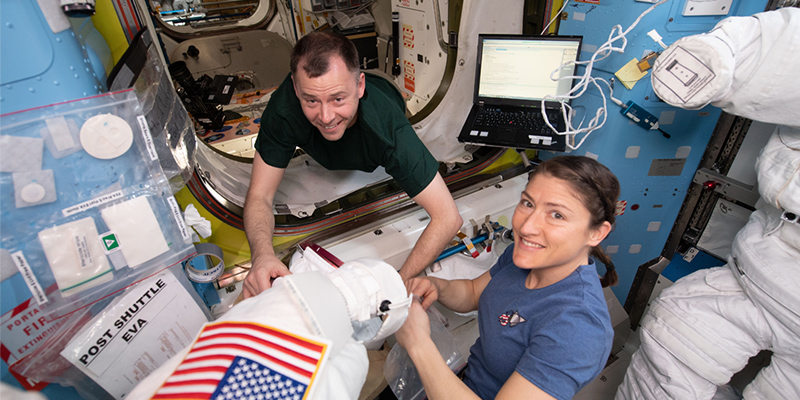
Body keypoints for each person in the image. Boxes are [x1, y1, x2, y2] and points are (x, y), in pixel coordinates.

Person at [242, 30, 462, 298]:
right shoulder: (283, 108)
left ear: (359, 86)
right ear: (295, 87)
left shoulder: (388, 131)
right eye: (311, 100)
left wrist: (396, 286)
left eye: (338, 99)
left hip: (385, 91)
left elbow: (448, 217)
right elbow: (259, 195)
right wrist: (262, 256)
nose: (325, 116)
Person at [395, 155, 619, 400]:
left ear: (597, 233)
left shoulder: (579, 326)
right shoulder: (524, 258)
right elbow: (473, 292)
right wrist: (437, 286)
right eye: (528, 203)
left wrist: (418, 344)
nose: (526, 227)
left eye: (557, 215)